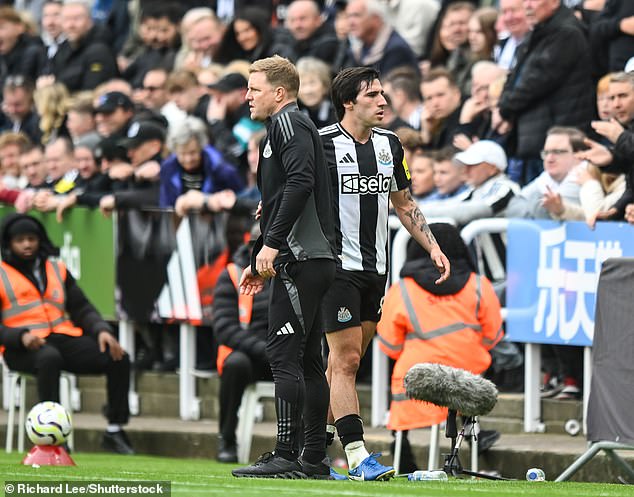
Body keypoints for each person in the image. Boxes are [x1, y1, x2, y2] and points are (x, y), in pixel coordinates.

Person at [319, 66, 450, 481]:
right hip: (335, 267)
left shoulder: (391, 145)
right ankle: (357, 455)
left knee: (345, 364)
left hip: (376, 268)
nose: (383, 102)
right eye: (373, 94)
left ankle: (314, 453)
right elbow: (292, 188)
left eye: (383, 94)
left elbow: (404, 202)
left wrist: (432, 244)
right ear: (348, 102)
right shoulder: (321, 145)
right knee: (346, 358)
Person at [231, 55, 337, 479]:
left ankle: (285, 454)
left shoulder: (287, 124)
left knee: (283, 355)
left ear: (279, 92)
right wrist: (262, 250)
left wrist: (271, 245)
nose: (247, 96)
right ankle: (313, 458)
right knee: (310, 360)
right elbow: (290, 190)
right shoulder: (291, 126)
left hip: (300, 259)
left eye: (254, 89)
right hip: (310, 257)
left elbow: (300, 183)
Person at [0, 213, 133, 454]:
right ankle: (50, 436)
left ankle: (114, 429)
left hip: (61, 336)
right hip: (20, 346)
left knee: (118, 357)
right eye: (20, 240)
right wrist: (20, 337)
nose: (27, 244)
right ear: (9, 243)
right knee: (49, 359)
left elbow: (81, 307)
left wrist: (102, 330)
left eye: (32, 238)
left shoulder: (56, 268)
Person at [377, 223, 504, 471]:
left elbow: (389, 345)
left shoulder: (400, 290)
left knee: (402, 372)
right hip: (467, 381)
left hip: (416, 383)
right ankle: (471, 437)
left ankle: (401, 452)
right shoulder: (479, 284)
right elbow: (493, 337)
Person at [213, 224, 272, 463]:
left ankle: (309, 446)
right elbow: (224, 329)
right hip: (250, 354)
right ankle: (226, 439)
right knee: (236, 364)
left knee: (315, 365)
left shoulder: (292, 273)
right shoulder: (231, 274)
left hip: (284, 353)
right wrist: (266, 352)